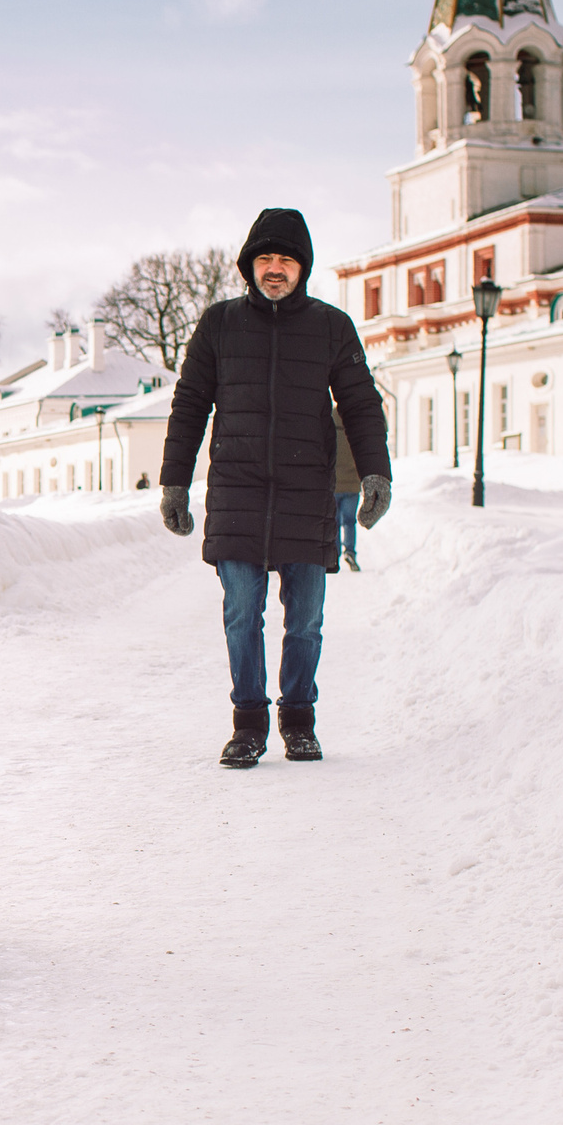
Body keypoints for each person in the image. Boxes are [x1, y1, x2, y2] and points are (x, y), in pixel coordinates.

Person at [158, 208, 390, 767]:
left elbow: (360, 403)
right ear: (249, 265)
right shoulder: (219, 325)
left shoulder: (332, 327)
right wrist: (173, 482)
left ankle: (299, 718)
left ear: (302, 266)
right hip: (237, 491)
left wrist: (377, 471)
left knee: (305, 619)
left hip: (305, 493)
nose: (275, 269)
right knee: (242, 614)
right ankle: (248, 723)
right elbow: (190, 403)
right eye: (265, 258)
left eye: (285, 259)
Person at [330, 405, 363, 572]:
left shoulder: (329, 426)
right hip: (352, 484)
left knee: (334, 522)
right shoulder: (355, 428)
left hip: (334, 484)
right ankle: (350, 551)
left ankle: (334, 555)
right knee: (349, 521)